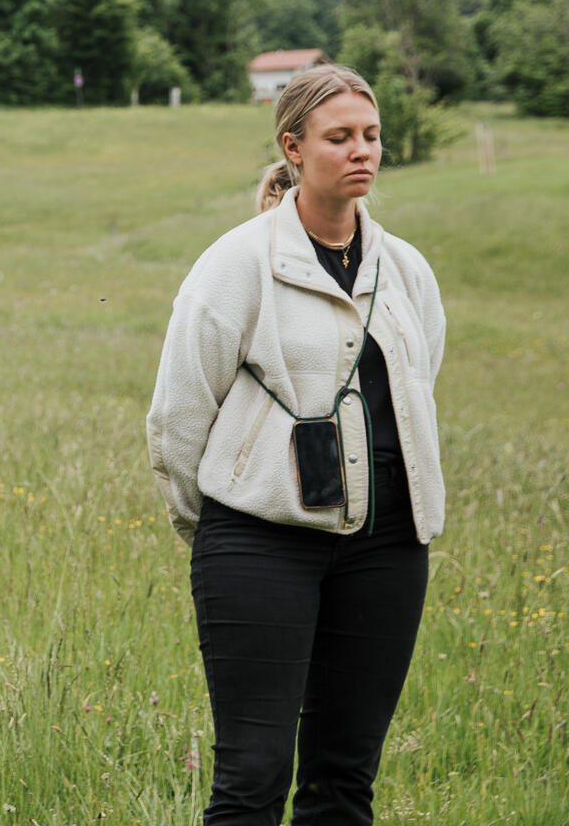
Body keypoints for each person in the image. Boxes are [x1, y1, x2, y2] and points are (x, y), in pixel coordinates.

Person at [147, 64, 447, 826]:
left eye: (371, 135)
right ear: (292, 147)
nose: (362, 150)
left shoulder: (406, 271)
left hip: (388, 548)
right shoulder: (235, 265)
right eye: (339, 136)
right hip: (259, 544)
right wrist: (215, 529)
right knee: (253, 775)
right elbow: (179, 416)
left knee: (344, 778)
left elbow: (421, 382)